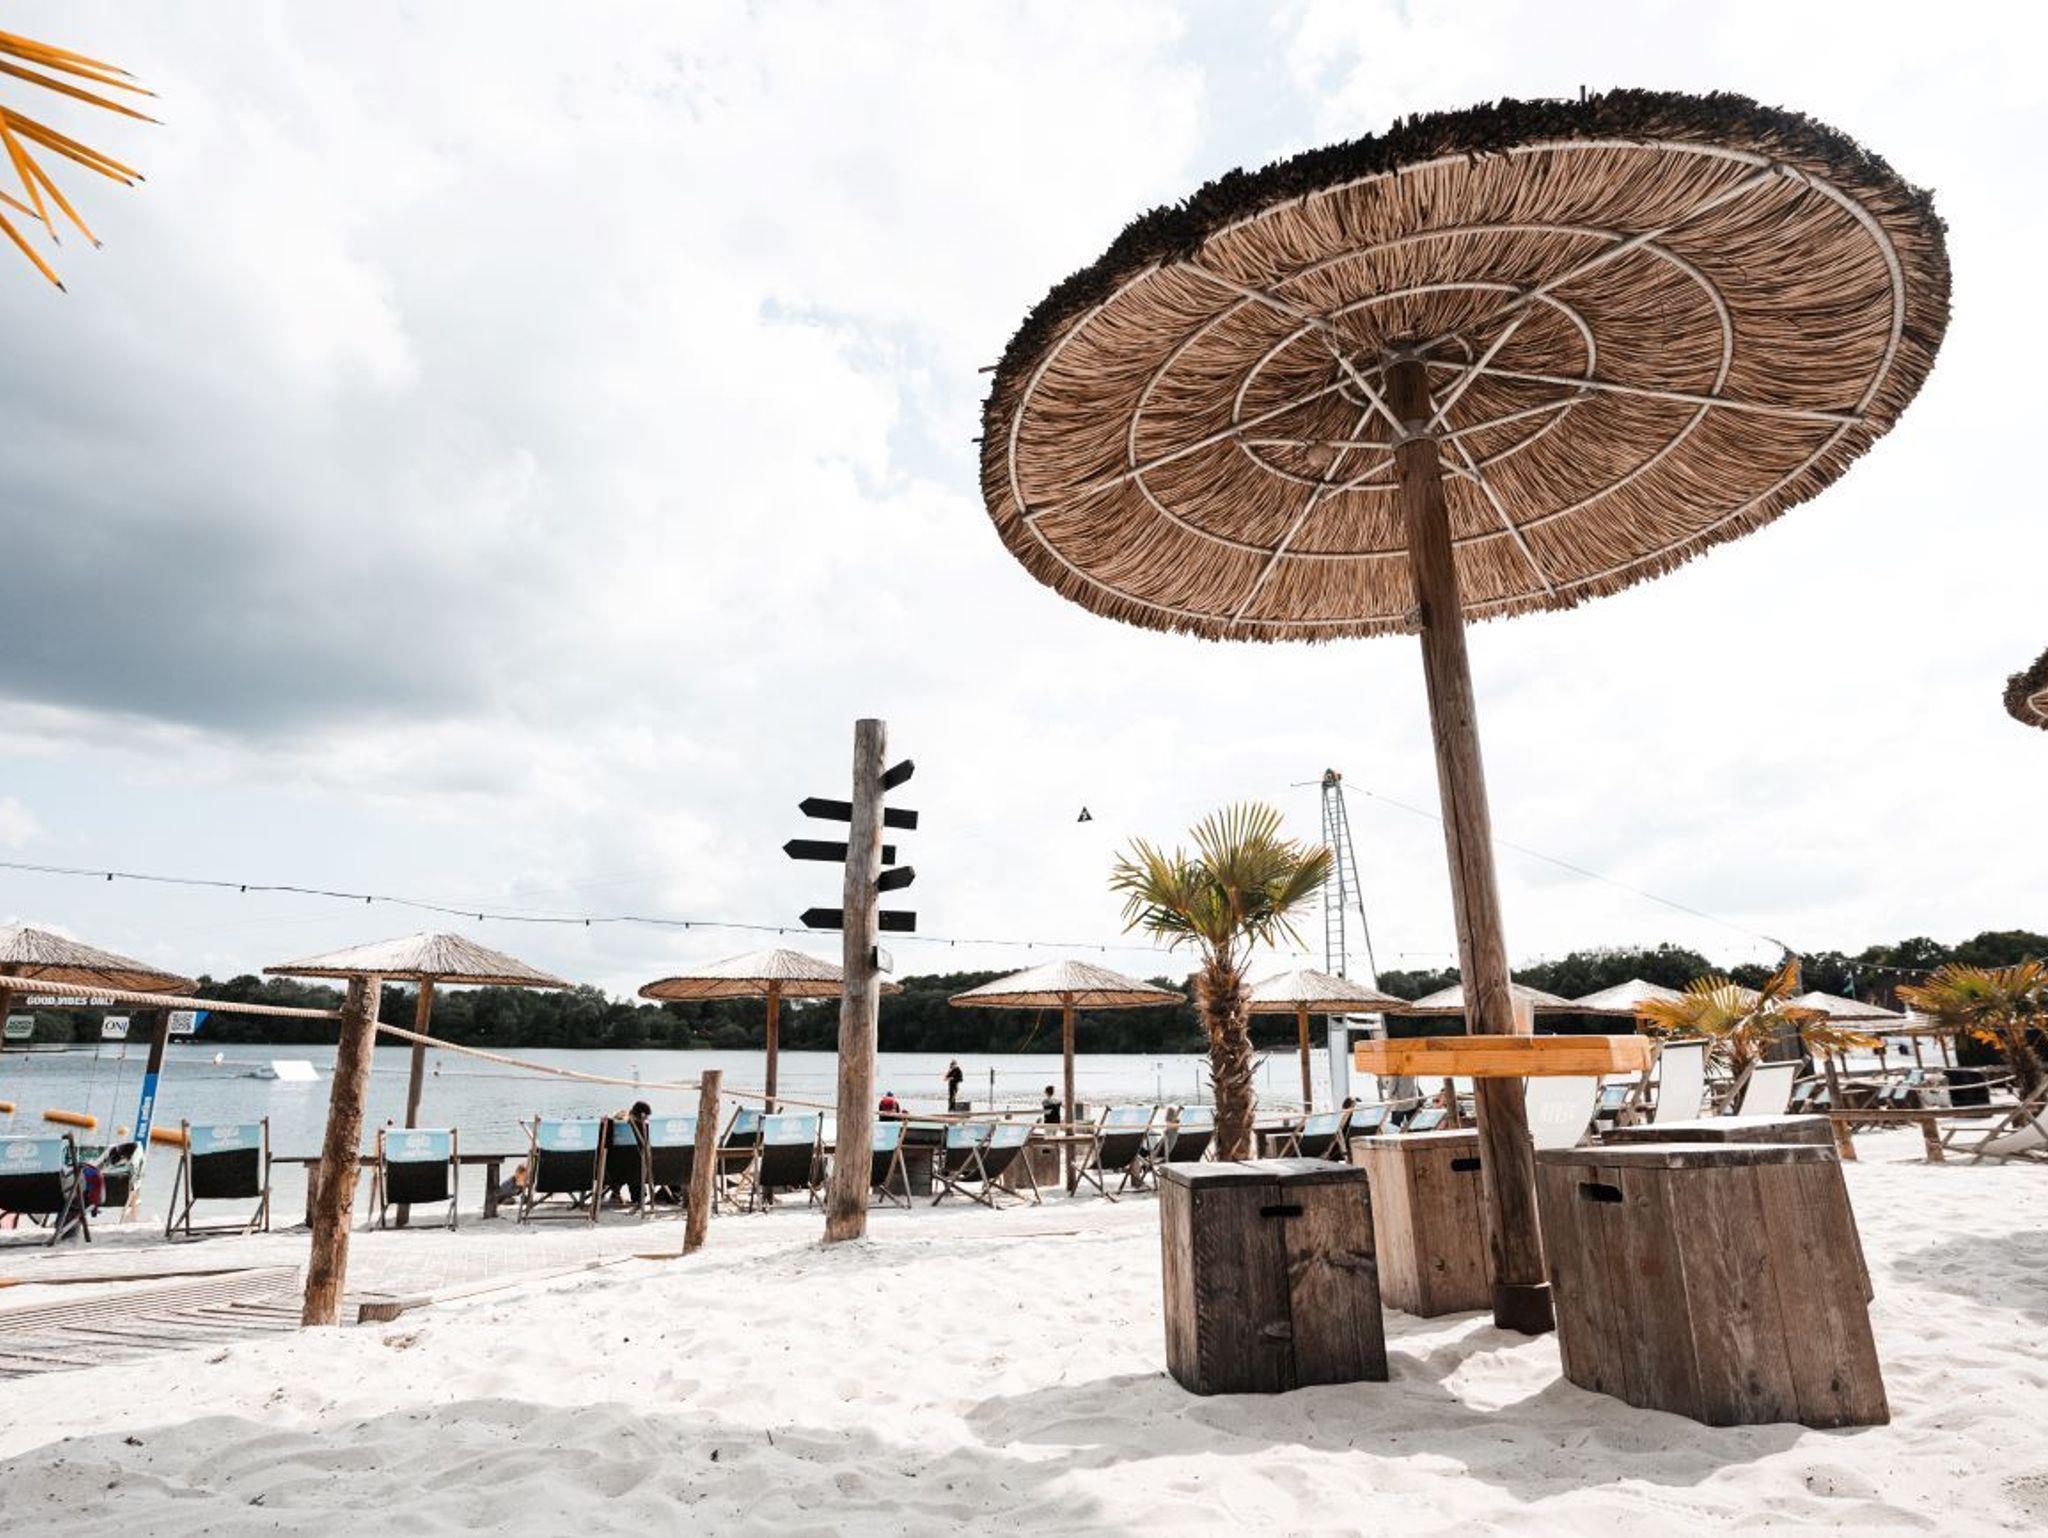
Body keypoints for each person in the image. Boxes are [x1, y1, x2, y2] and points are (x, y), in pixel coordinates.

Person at [602, 1101, 652, 1208]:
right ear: (643, 1116)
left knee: (630, 1160)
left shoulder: (610, 1127)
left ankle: (613, 1191)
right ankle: (638, 1197)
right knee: (636, 1161)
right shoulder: (641, 1129)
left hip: (610, 1170)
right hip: (635, 1171)